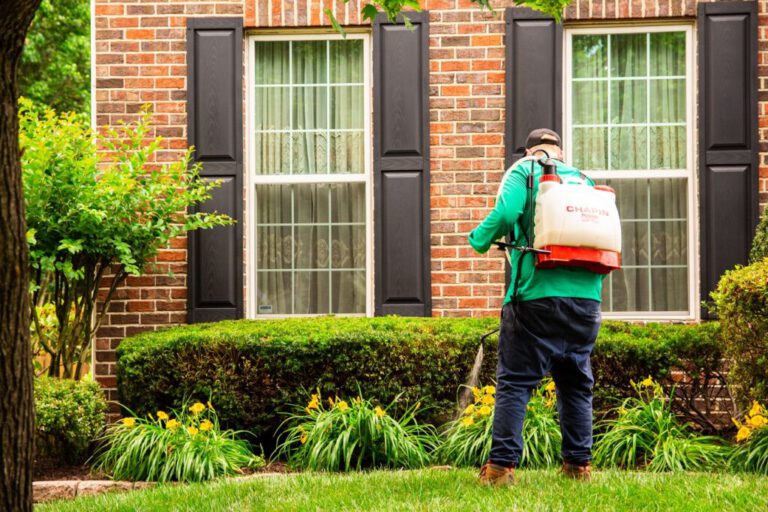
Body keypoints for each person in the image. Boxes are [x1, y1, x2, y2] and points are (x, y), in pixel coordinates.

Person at [468, 128, 603, 485]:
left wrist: (479, 240)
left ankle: (500, 469)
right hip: (587, 301)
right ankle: (578, 467)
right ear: (559, 152)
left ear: (530, 150)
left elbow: (507, 212)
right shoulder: (584, 180)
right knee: (576, 383)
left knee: (515, 382)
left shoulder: (524, 170)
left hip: (535, 298)